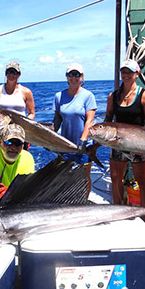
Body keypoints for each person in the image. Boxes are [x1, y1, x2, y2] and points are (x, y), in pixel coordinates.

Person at [104, 59, 145, 207]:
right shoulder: (113, 96)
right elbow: (108, 119)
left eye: (129, 72)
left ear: (137, 74)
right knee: (115, 177)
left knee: (142, 180)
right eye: (123, 71)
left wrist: (143, 148)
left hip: (138, 145)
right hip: (117, 142)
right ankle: (118, 208)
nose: (126, 75)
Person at [52, 63, 97, 194]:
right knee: (65, 177)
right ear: (66, 77)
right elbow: (57, 119)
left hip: (84, 145)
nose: (74, 77)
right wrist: (50, 138)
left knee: (84, 178)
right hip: (65, 145)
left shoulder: (88, 96)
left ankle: (84, 202)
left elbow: (90, 120)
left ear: (82, 77)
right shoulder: (59, 96)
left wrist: (82, 141)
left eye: (77, 74)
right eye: (71, 74)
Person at [0, 61, 35, 149]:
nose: (11, 74)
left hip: (20, 133)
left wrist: (25, 124)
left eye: (14, 72)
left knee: (21, 158)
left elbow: (31, 113)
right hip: (1, 132)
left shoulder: (26, 92)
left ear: (19, 74)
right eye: (8, 72)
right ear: (5, 74)